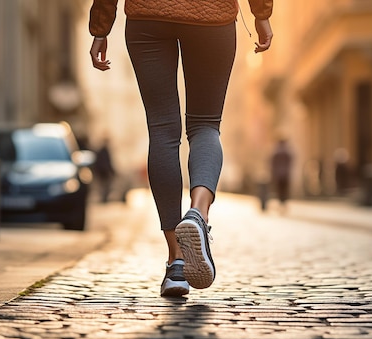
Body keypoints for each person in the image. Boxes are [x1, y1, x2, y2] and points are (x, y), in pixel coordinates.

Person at [89, 0, 274, 297]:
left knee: (162, 131)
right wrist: (261, 14)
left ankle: (176, 262)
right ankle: (198, 214)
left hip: (148, 16)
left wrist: (101, 27)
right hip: (212, 16)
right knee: (205, 125)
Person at [270, 139, 293, 210]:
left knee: (280, 190)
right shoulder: (287, 152)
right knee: (284, 190)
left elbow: (272, 164)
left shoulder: (276, 153)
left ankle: (281, 203)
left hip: (278, 174)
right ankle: (283, 203)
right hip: (285, 174)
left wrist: (273, 173)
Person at [93, 138, 116, 203]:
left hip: (103, 172)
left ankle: (104, 198)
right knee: (104, 186)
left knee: (105, 186)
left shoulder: (102, 150)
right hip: (104, 172)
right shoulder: (103, 151)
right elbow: (106, 162)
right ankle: (104, 198)